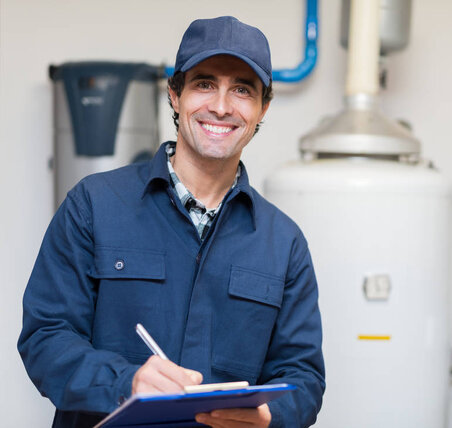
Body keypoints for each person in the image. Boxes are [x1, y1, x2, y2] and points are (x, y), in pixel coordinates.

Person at [18, 16, 325, 428]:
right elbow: (45, 338)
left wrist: (272, 415)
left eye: (242, 89)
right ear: (175, 95)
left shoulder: (283, 242)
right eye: (204, 84)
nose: (220, 105)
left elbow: (303, 376)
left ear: (262, 108)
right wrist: (125, 381)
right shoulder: (93, 204)